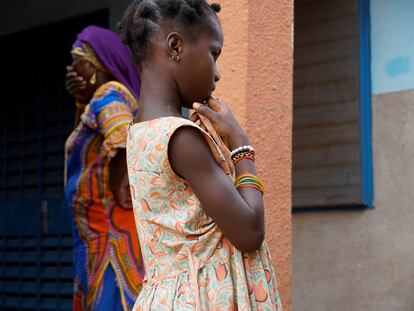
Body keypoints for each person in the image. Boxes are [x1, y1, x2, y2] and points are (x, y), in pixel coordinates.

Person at [118, 1, 283, 310]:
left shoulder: (139, 131)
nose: (217, 73)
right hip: (202, 298)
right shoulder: (181, 137)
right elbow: (249, 232)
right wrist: (240, 145)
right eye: (214, 53)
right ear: (175, 46)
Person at [64, 25, 144, 311]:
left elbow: (121, 130)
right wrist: (81, 101)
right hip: (99, 241)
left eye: (78, 60)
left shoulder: (110, 93)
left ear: (100, 64)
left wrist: (121, 174)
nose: (72, 69)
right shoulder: (98, 101)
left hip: (110, 241)